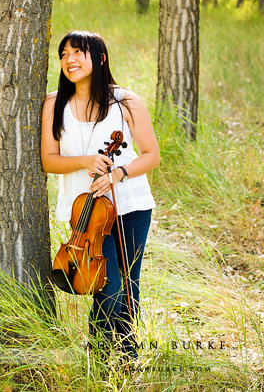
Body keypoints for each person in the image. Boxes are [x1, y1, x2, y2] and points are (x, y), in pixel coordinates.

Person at [41, 30, 160, 359]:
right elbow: (48, 160)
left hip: (132, 204)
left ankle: (125, 357)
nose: (70, 60)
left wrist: (117, 174)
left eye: (79, 52)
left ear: (101, 58)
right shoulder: (55, 103)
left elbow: (151, 154)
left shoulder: (125, 101)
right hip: (87, 213)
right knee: (109, 288)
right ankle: (98, 354)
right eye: (64, 54)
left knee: (129, 286)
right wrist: (86, 161)